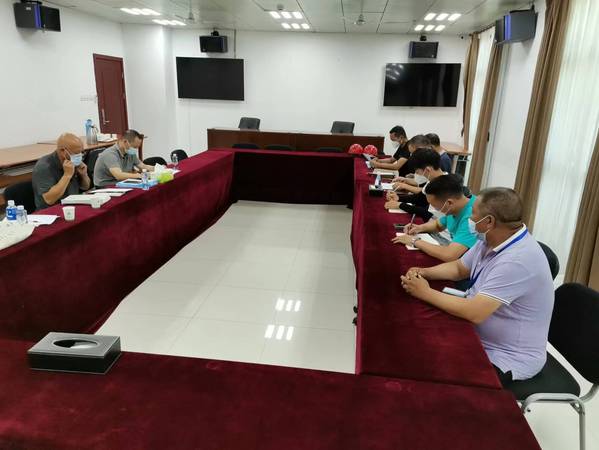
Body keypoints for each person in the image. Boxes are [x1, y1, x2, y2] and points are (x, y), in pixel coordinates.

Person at [400, 188, 554, 385]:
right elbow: (459, 268)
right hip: (477, 333)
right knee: (417, 340)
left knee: (430, 370)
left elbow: (475, 312)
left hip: (505, 356)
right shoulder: (492, 237)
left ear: (489, 221)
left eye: (473, 214)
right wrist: (424, 272)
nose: (470, 219)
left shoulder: (518, 260)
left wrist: (425, 292)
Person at [391, 174, 476, 261]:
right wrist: (419, 228)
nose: (433, 208)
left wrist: (414, 241)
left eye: (434, 205)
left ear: (449, 203)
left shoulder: (473, 216)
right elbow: (438, 225)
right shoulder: (456, 205)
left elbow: (449, 255)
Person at [32, 133, 91, 210]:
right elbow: (49, 200)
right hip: (52, 210)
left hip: (73, 205)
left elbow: (85, 187)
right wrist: (67, 175)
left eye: (82, 152)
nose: (80, 156)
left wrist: (84, 175)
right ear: (63, 151)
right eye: (76, 153)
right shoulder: (43, 167)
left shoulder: (72, 161)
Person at [384, 148, 447, 215]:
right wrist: (398, 197)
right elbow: (420, 198)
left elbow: (428, 213)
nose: (417, 174)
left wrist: (400, 205)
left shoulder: (444, 186)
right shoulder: (434, 180)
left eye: (417, 172)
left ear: (427, 170)